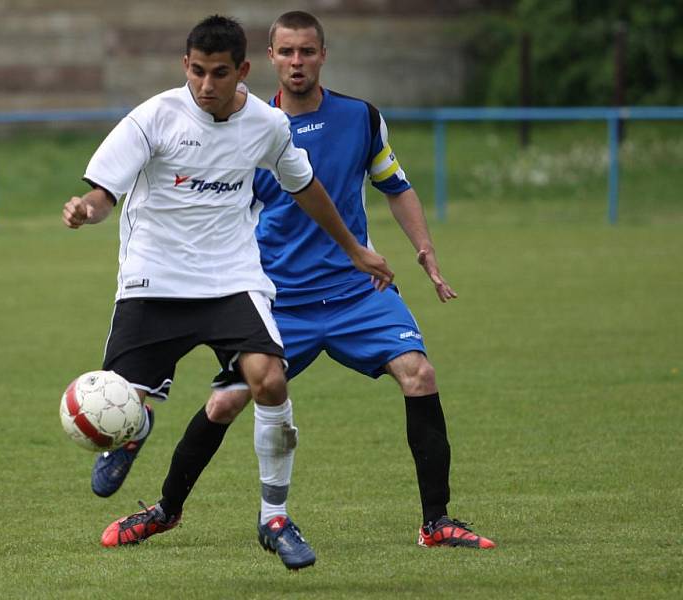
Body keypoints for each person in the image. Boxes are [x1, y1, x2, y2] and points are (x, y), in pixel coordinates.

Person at [61, 15, 393, 569]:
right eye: (196, 72)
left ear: (241, 70)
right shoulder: (153, 118)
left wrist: (356, 250)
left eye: (219, 73)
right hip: (154, 279)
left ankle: (275, 519)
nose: (205, 85)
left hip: (229, 278)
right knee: (124, 396)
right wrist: (86, 210)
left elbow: (305, 187)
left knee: (269, 379)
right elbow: (104, 191)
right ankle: (136, 426)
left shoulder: (266, 125)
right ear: (184, 66)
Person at [207, 11, 496, 550]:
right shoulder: (247, 128)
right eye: (287, 52)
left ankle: (437, 523)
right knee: (224, 402)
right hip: (281, 300)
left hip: (358, 292)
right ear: (269, 58)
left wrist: (424, 249)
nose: (297, 62)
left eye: (307, 52)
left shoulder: (361, 118)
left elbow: (395, 185)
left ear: (323, 54)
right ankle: (166, 508)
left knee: (420, 374)